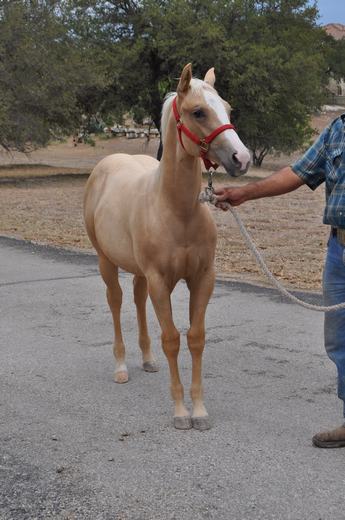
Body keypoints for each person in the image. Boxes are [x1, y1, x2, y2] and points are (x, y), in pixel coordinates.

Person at [214, 114, 345, 448]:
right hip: (339, 250)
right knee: (340, 340)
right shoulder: (338, 129)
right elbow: (297, 172)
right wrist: (245, 194)